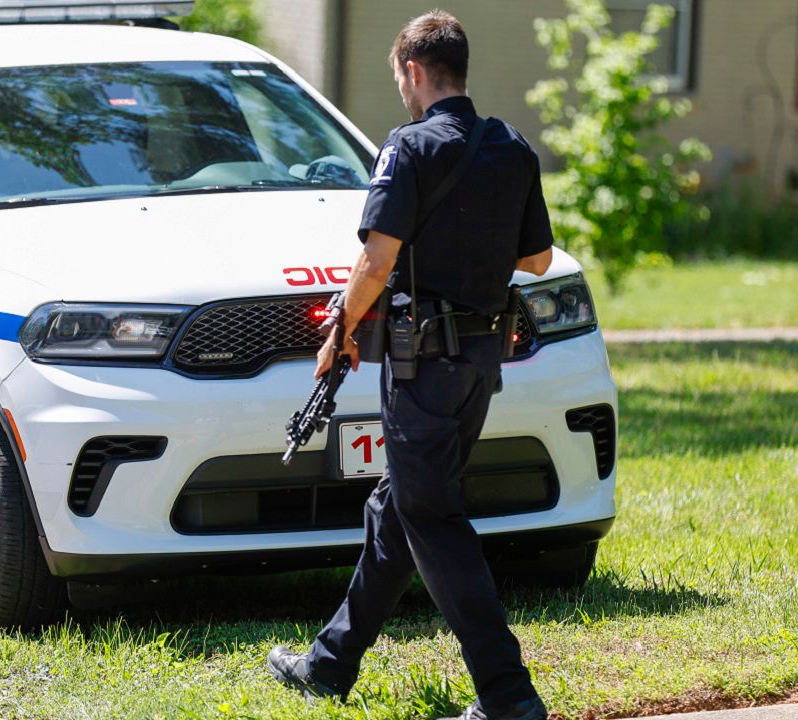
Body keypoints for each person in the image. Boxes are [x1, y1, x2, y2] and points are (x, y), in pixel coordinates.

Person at [266, 10, 557, 720]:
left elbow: (377, 258)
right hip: (481, 364)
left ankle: (508, 697)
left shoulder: (410, 146)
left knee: (431, 518)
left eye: (400, 75)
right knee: (398, 509)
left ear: (414, 72)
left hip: (422, 366)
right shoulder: (511, 147)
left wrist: (338, 327)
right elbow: (538, 259)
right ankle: (329, 666)